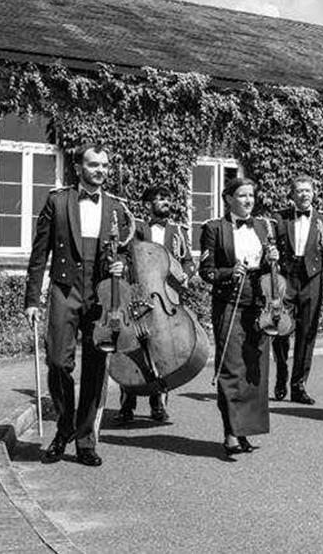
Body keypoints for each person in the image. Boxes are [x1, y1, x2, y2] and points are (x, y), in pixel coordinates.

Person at [24, 144, 134, 467]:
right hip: (64, 288)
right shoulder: (58, 201)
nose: (100, 170)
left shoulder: (116, 207)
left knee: (96, 369)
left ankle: (85, 440)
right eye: (93, 164)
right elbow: (38, 254)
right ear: (78, 167)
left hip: (101, 293)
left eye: (104, 165)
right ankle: (65, 427)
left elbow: (126, 251)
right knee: (58, 362)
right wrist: (32, 300)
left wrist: (121, 267)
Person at [200, 177, 279, 457]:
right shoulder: (213, 229)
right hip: (230, 303)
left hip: (260, 305)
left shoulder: (264, 226)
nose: (248, 200)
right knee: (231, 368)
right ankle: (231, 431)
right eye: (243, 195)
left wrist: (273, 257)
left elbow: (274, 269)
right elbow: (206, 271)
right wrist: (227, 273)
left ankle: (247, 430)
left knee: (255, 370)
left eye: (251, 196)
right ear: (228, 198)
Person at [113, 184, 197, 425]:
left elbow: (189, 263)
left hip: (166, 298)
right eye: (160, 198)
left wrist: (186, 275)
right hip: (139, 296)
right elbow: (123, 255)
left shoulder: (179, 232)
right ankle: (127, 404)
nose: (166, 202)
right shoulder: (136, 228)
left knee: (164, 349)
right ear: (148, 205)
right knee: (133, 347)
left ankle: (158, 405)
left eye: (167, 198)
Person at [272, 176, 323, 404]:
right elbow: (269, 247)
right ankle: (281, 372)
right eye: (299, 191)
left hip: (312, 279)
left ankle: (298, 385)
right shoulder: (279, 218)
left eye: (307, 190)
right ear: (292, 194)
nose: (304, 194)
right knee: (280, 330)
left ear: (314, 193)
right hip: (286, 279)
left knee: (307, 334)